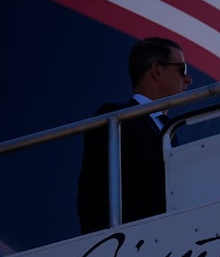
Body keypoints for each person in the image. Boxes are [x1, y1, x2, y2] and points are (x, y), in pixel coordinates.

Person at [76, 36, 192, 234]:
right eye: (182, 70)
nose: (188, 79)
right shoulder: (118, 119)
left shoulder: (171, 132)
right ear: (156, 71)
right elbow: (94, 192)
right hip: (130, 247)